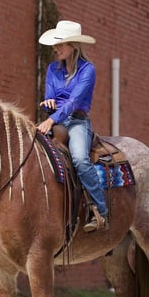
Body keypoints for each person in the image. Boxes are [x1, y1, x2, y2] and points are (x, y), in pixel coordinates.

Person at [36, 20, 108, 232]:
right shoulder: (52, 69)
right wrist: (48, 102)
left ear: (74, 46)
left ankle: (101, 211)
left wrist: (51, 119)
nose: (55, 49)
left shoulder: (88, 70)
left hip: (77, 121)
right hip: (56, 119)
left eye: (61, 44)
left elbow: (74, 102)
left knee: (79, 158)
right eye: (55, 45)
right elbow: (50, 94)